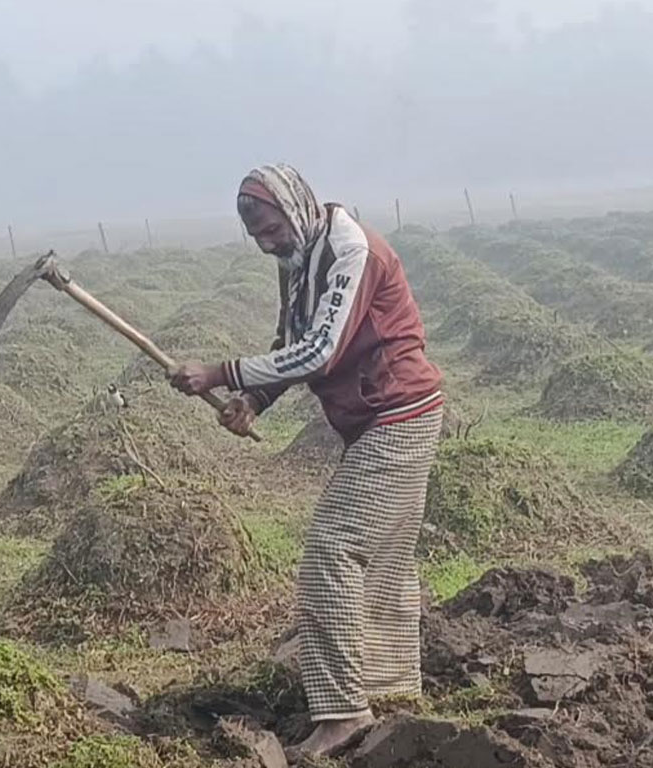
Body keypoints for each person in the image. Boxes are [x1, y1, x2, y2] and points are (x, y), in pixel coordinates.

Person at [170, 164, 445, 761]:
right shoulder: (298, 260)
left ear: (296, 208)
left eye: (270, 229)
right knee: (385, 558)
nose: (267, 243)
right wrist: (253, 399)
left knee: (333, 546)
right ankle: (390, 688)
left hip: (398, 414)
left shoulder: (352, 252)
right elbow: (290, 338)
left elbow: (322, 350)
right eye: (258, 237)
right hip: (380, 415)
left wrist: (219, 373)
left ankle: (344, 713)